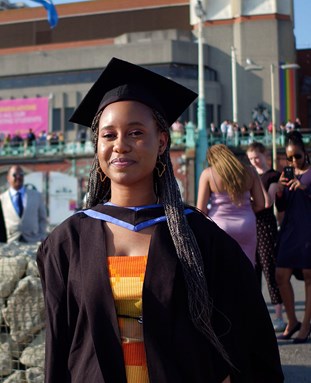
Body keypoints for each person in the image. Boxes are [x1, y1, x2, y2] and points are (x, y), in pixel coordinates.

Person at [37, 57, 283, 383]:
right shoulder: (68, 242)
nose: (120, 145)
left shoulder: (199, 236)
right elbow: (60, 344)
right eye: (108, 135)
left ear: (162, 141)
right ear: (96, 145)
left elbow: (250, 334)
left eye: (136, 132)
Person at [197, 144, 265, 267]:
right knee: (247, 268)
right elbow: (261, 204)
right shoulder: (250, 171)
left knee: (222, 271)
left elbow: (200, 210)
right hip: (246, 225)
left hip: (220, 226)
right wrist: (246, 210)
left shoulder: (208, 174)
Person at [275, 131, 311, 344]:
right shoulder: (287, 174)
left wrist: (305, 189)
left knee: (309, 275)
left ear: (305, 153)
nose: (294, 161)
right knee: (280, 274)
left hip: (308, 229)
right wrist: (280, 193)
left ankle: (305, 325)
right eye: (289, 158)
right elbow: (281, 210)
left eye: (297, 156)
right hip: (290, 230)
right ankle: (293, 321)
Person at [246, 142, 285, 332]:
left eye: (257, 157)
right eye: (251, 159)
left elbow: (267, 203)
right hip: (251, 227)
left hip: (266, 227)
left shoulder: (273, 176)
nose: (254, 162)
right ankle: (257, 316)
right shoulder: (251, 175)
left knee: (270, 270)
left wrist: (259, 184)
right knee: (253, 273)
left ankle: (279, 315)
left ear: (265, 155)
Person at [0, 165, 47, 243]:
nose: (18, 177)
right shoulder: (2, 198)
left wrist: (42, 236)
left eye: (21, 174)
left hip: (33, 240)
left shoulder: (36, 195)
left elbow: (42, 218)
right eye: (15, 175)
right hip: (10, 242)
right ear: (8, 178)